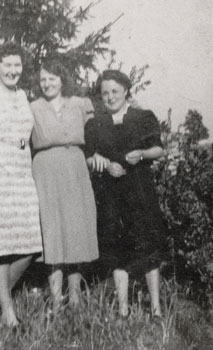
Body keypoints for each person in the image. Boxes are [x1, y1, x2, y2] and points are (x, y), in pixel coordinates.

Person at [85, 69, 166, 318]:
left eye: (115, 91)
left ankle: (156, 310)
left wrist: (141, 154)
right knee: (117, 249)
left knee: (148, 246)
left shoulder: (143, 117)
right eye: (105, 93)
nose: (110, 97)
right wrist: (101, 162)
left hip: (140, 190)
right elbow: (88, 157)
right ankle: (123, 309)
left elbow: (158, 149)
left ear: (126, 90)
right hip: (110, 193)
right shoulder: (94, 124)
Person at [0, 43, 42, 327]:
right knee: (1, 245)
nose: (13, 71)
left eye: (17, 65)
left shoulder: (23, 95)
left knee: (30, 244)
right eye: (7, 65)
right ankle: (7, 310)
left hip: (21, 169)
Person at [30, 59, 98, 308]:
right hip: (46, 171)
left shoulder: (80, 104)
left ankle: (76, 296)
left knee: (75, 230)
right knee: (53, 231)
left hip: (75, 169)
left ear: (62, 80)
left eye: (52, 78)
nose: (47, 83)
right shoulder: (33, 107)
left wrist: (96, 154)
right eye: (43, 79)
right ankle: (56, 298)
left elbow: (95, 136)